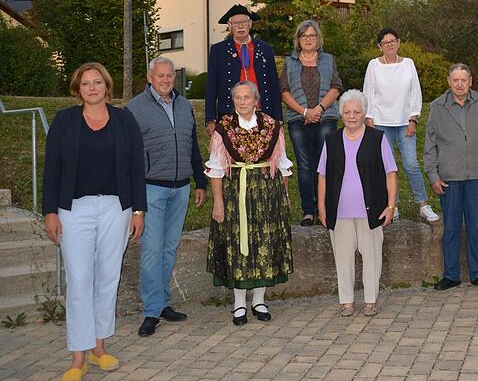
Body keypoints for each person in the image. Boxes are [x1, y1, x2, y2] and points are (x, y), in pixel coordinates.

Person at [43, 62, 146, 381]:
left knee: (107, 278)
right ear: (77, 89)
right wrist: (50, 212)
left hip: (116, 209)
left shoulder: (124, 120)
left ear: (106, 86)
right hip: (74, 211)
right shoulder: (64, 121)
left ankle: (99, 347)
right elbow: (52, 169)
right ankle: (78, 356)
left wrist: (138, 210)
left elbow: (135, 167)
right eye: (85, 83)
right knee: (79, 279)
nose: (92, 87)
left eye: (97, 82)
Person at [126, 57, 207, 337]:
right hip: (151, 189)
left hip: (181, 187)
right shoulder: (135, 108)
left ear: (175, 77)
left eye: (169, 75)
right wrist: (134, 198)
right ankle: (151, 311)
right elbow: (128, 156)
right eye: (159, 76)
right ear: (150, 78)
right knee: (151, 251)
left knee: (169, 248)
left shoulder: (184, 105)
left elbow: (192, 146)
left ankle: (162, 304)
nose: (165, 80)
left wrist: (200, 181)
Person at [205, 81, 293, 325]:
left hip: (267, 193)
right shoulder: (223, 128)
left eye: (247, 97)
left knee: (263, 242)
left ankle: (259, 300)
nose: (242, 102)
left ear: (256, 101)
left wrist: (283, 198)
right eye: (238, 98)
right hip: (236, 193)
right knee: (238, 244)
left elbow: (283, 164)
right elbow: (215, 168)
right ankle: (239, 304)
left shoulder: (272, 126)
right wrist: (218, 203)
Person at [317, 89, 398, 317]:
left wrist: (390, 206)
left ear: (364, 114)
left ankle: (370, 300)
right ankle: (347, 301)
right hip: (339, 211)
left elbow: (391, 173)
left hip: (371, 211)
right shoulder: (331, 139)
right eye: (347, 112)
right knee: (343, 259)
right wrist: (322, 208)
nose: (352, 116)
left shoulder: (377, 138)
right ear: (341, 114)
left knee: (372, 257)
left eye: (357, 112)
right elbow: (322, 175)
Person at [424, 63, 478, 291]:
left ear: (471, 81)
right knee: (452, 227)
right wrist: (433, 176)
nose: (459, 84)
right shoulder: (437, 107)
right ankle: (451, 275)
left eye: (463, 80)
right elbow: (429, 146)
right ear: (449, 81)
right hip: (449, 178)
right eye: (455, 80)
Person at [362, 27, 439, 222]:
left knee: (411, 163)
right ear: (380, 46)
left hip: (405, 122)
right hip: (380, 123)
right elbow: (368, 93)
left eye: (392, 41)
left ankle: (423, 204)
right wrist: (369, 119)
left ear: (398, 42)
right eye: (385, 42)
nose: (389, 45)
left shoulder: (408, 64)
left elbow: (415, 92)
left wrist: (414, 118)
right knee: (388, 167)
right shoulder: (373, 65)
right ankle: (391, 206)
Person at [281, 19, 343, 226]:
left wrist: (319, 109)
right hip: (298, 119)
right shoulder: (290, 62)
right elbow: (284, 91)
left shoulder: (328, 59)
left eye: (312, 36)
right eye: (304, 36)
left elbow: (336, 86)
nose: (308, 39)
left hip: (326, 118)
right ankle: (308, 210)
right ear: (298, 40)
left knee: (325, 165)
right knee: (305, 165)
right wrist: (305, 112)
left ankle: (324, 210)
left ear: (318, 39)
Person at [205, 4, 282, 133]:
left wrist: (278, 119)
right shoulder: (219, 51)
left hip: (262, 112)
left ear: (250, 24)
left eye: (244, 22)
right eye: (236, 23)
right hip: (230, 114)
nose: (240, 26)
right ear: (229, 26)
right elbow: (211, 86)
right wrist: (210, 119)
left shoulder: (265, 49)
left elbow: (273, 84)